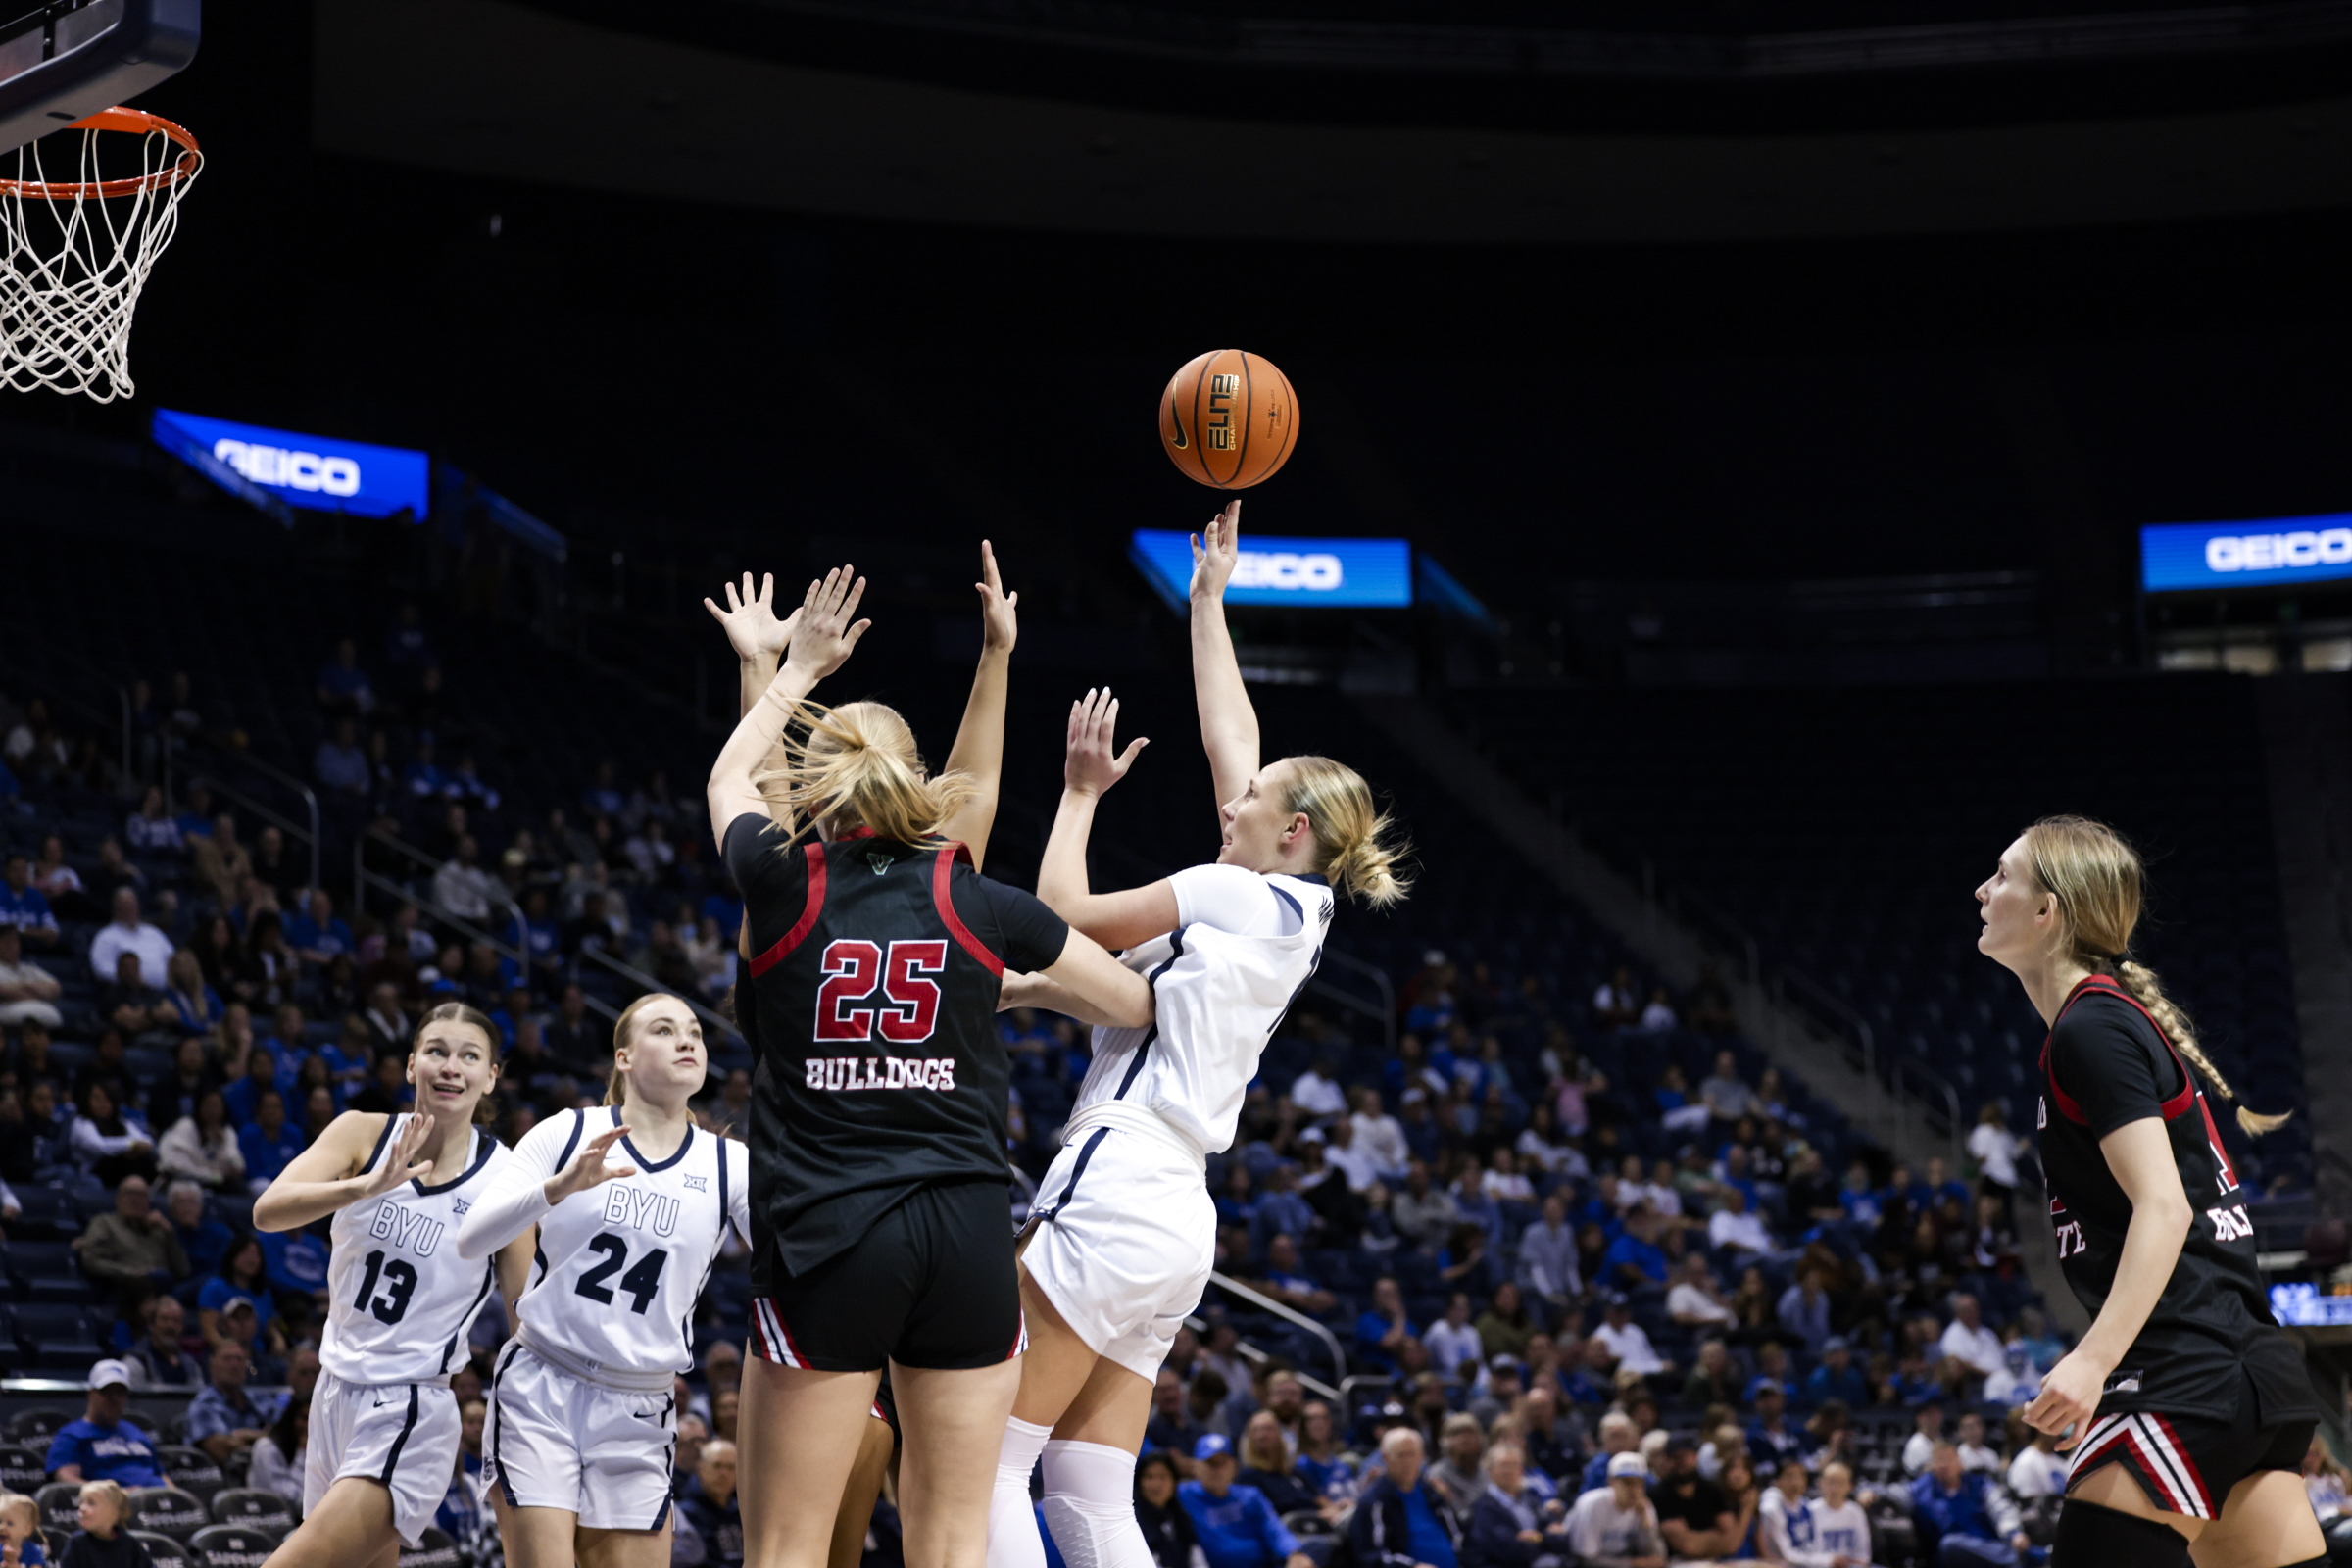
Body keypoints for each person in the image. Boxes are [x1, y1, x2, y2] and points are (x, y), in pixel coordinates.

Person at [989, 505, 1410, 1568]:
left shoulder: (1233, 892)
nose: (1232, 803)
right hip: (1179, 1215)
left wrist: (1079, 796)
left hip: (1123, 1168)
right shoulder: (1293, 910)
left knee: (987, 1453)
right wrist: (1208, 600)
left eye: (1252, 801)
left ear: (1293, 830)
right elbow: (1236, 739)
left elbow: (1058, 913)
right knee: (1089, 1493)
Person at [703, 560, 1147, 1568]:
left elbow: (741, 783)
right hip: (964, 1236)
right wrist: (997, 654)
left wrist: (781, 669)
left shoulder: (781, 883)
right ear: (919, 787)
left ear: (816, 785)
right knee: (951, 1544)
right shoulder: (969, 894)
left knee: (785, 1549)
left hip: (830, 1235)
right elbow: (1131, 1002)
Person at [1979, 816, 2325, 1565]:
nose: (1982, 890)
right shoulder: (2106, 1020)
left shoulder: (2092, 1029)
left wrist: (2092, 1360)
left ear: (2047, 911)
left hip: (2183, 1376)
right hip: (2252, 1379)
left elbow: (2164, 1206)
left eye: (2002, 876)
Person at [454, 995, 750, 1568]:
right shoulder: (568, 1131)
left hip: (640, 1403)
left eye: (694, 1032)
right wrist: (557, 1188)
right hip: (543, 1385)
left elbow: (793, 1261)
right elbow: (472, 1237)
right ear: (624, 1057)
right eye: (663, 1030)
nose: (686, 1040)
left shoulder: (728, 1164)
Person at [248, 1002, 523, 1568]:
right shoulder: (362, 1132)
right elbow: (268, 1211)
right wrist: (363, 1186)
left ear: (491, 1076)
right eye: (437, 1051)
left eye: (470, 1056)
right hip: (332, 1394)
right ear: (411, 1064)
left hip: (410, 1406)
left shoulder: (508, 1178)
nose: (451, 1067)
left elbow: (523, 1314)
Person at [1175, 1435, 1316, 1568]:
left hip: (1264, 1564)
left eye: (1223, 1463)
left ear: (1234, 1467)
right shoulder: (1184, 1495)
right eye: (1210, 1464)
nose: (1217, 1470)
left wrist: (1294, 1553)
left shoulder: (1250, 1495)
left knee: (1316, 1548)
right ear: (1196, 1467)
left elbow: (1274, 1529)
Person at [1348, 1427, 1463, 1568]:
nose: (1408, 1461)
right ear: (1386, 1458)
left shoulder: (1432, 1494)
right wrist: (1413, 1566)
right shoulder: (1374, 1501)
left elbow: (1460, 1537)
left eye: (1412, 1454)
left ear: (1422, 1457)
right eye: (1401, 1455)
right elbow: (1371, 1556)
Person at [1909, 1442, 2031, 1568]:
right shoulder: (1922, 1490)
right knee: (1949, 1544)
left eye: (1949, 1459)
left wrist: (2014, 1533)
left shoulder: (1979, 1484)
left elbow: (2000, 1509)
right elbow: (1900, 1494)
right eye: (1939, 1460)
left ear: (1960, 1462)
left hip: (1987, 1547)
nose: (1945, 1465)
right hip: (1949, 1557)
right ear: (1931, 1465)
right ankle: (2019, 1559)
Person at [44, 1361, 164, 1488]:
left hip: (157, 1496)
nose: (114, 1399)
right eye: (106, 1392)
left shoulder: (135, 1431)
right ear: (91, 1394)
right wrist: (120, 1495)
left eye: (120, 1393)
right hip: (114, 1497)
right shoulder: (71, 1435)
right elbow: (67, 1480)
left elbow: (162, 1476)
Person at [1463, 1440, 1570, 1568]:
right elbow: (1509, 1552)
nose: (1509, 1470)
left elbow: (1562, 1540)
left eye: (1514, 1465)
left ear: (1522, 1470)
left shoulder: (1532, 1499)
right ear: (1489, 1470)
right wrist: (1545, 1540)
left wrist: (1539, 1538)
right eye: (1503, 1465)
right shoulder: (1483, 1508)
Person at [1560, 1453, 1664, 1568]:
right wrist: (1632, 1563)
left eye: (1639, 1483)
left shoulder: (1644, 1506)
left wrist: (1647, 1523)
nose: (1634, 1490)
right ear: (1612, 1482)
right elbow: (1585, 1560)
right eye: (1627, 1482)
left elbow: (1657, 1558)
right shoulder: (1593, 1504)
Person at [186, 1340, 276, 1465]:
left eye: (239, 1359)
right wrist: (266, 1437)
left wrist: (245, 1436)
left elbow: (284, 1433)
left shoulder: (260, 1399)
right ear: (213, 1365)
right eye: (227, 1359)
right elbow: (221, 1449)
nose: (234, 1365)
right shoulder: (203, 1405)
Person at [56, 1482, 148, 1568]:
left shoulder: (130, 1544)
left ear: (114, 1512)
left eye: (91, 1503)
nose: (82, 1508)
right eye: (82, 1502)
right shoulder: (77, 1543)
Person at [1134, 1451, 1201, 1568]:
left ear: (1174, 1481)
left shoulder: (1180, 1515)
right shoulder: (1132, 1520)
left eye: (1163, 1477)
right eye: (1149, 1477)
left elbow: (1196, 1557)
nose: (1156, 1484)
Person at [246, 1396, 309, 1505]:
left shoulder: (320, 1448)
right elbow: (290, 1497)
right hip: (267, 1511)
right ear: (291, 1417)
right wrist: (303, 1452)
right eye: (305, 1418)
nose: (308, 1425)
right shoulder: (267, 1448)